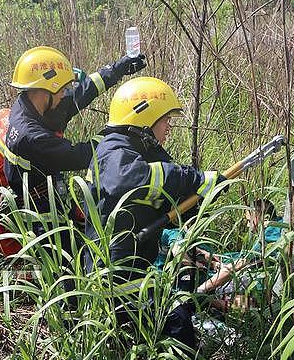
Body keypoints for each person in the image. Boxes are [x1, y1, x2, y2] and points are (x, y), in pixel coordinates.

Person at [0, 45, 146, 276]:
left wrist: (117, 69)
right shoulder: (31, 137)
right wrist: (121, 133)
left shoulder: (32, 106)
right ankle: (22, 289)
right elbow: (82, 155)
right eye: (63, 89)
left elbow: (82, 93)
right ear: (46, 90)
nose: (66, 94)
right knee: (24, 250)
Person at [84, 76, 225, 350]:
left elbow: (162, 196)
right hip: (117, 277)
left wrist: (201, 195)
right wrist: (194, 179)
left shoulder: (137, 151)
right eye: (165, 120)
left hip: (136, 269)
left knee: (183, 307)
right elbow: (132, 179)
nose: (169, 129)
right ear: (144, 120)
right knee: (178, 324)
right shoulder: (113, 151)